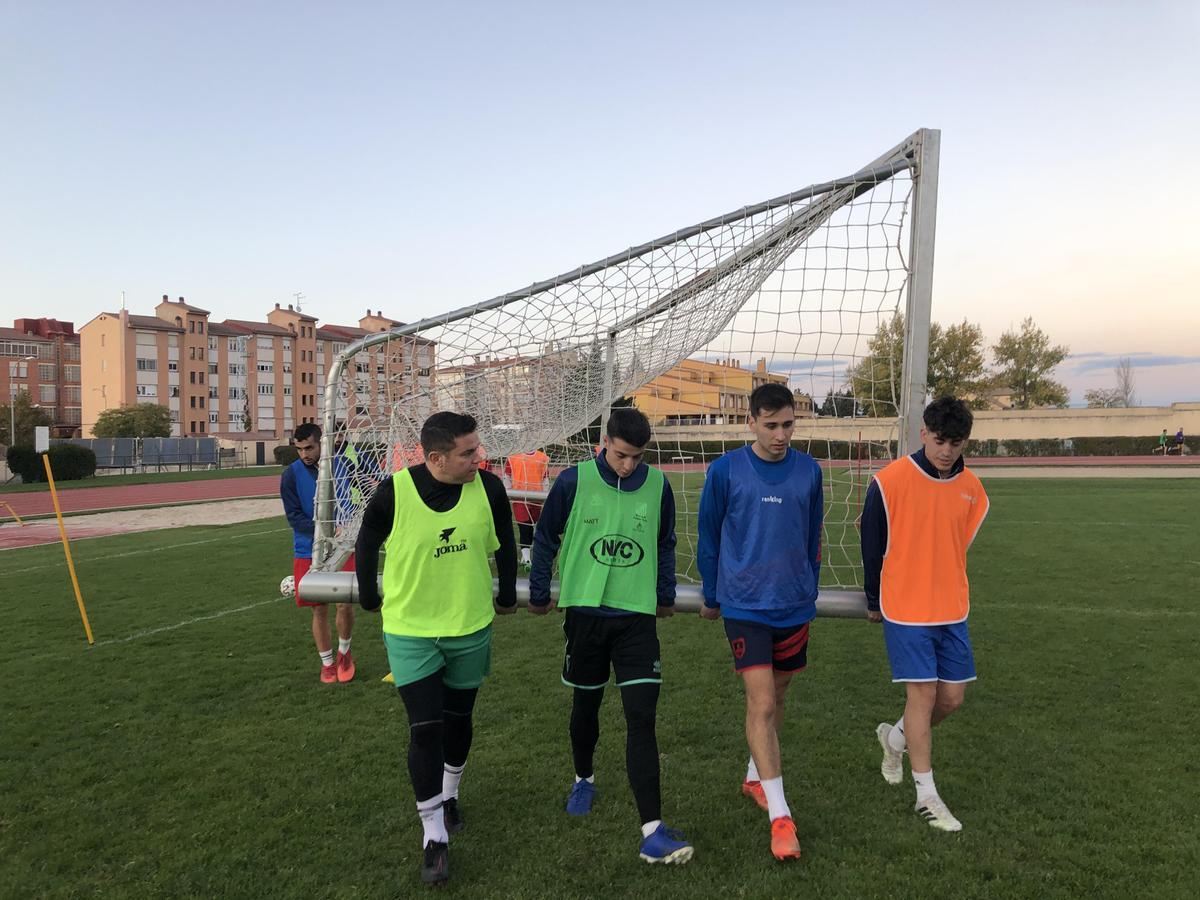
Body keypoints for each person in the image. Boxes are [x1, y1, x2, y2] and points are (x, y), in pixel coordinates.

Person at [355, 411, 518, 887]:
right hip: (411, 630)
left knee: (458, 720)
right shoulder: (395, 491)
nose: (478, 459)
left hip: (470, 625)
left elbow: (505, 541)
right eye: (468, 453)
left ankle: (449, 795)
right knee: (425, 729)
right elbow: (367, 542)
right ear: (435, 458)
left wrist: (508, 589)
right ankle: (434, 835)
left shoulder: (488, 488)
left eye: (477, 448)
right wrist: (368, 592)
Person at [529, 407, 693, 865]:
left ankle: (652, 830)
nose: (628, 465)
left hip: (636, 619)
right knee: (587, 705)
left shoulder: (658, 486)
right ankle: (584, 778)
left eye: (637, 457)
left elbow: (664, 543)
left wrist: (664, 592)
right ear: (605, 440)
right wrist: (540, 590)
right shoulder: (572, 480)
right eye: (622, 455)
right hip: (585, 613)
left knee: (642, 717)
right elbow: (545, 536)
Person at [696, 382, 822, 862]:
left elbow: (812, 533)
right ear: (751, 422)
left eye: (788, 424)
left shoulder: (809, 471)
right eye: (770, 425)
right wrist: (712, 593)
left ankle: (754, 777)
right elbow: (708, 534)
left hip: (793, 605)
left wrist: (807, 585)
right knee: (763, 702)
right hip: (745, 605)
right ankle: (781, 817)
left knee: (781, 695)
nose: (780, 435)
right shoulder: (726, 470)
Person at [861, 396, 989, 833]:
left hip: (952, 608)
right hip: (905, 607)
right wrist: (874, 598)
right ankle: (927, 796)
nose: (947, 450)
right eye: (940, 440)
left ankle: (894, 738)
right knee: (923, 696)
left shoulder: (974, 488)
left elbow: (956, 547)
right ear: (922, 433)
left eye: (956, 442)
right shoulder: (889, 481)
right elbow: (872, 543)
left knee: (951, 699)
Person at [280, 422, 356, 684]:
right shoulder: (290, 476)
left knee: (345, 602)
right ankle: (327, 664)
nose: (304, 454)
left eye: (309, 447)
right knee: (318, 608)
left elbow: (355, 494)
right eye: (299, 449)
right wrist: (322, 533)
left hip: (343, 546)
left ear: (322, 442)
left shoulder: (341, 464)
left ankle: (345, 653)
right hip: (307, 549)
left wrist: (345, 527)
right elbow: (294, 517)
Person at [505, 448, 550, 568]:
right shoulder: (513, 456)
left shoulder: (542, 457)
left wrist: (545, 495)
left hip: (537, 498)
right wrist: (509, 493)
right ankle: (526, 559)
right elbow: (507, 476)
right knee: (524, 526)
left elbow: (545, 478)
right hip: (519, 497)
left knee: (533, 526)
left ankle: (530, 554)